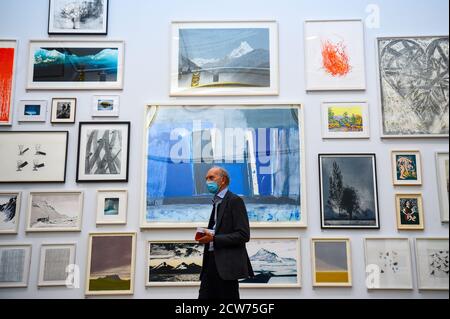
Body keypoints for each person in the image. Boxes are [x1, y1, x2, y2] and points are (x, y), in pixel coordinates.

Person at [197, 166, 254, 299]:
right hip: (210, 262)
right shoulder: (216, 202)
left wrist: (213, 238)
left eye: (211, 178)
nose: (207, 182)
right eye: (206, 179)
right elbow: (217, 230)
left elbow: (243, 235)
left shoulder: (235, 201)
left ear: (222, 180)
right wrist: (206, 234)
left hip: (226, 266)